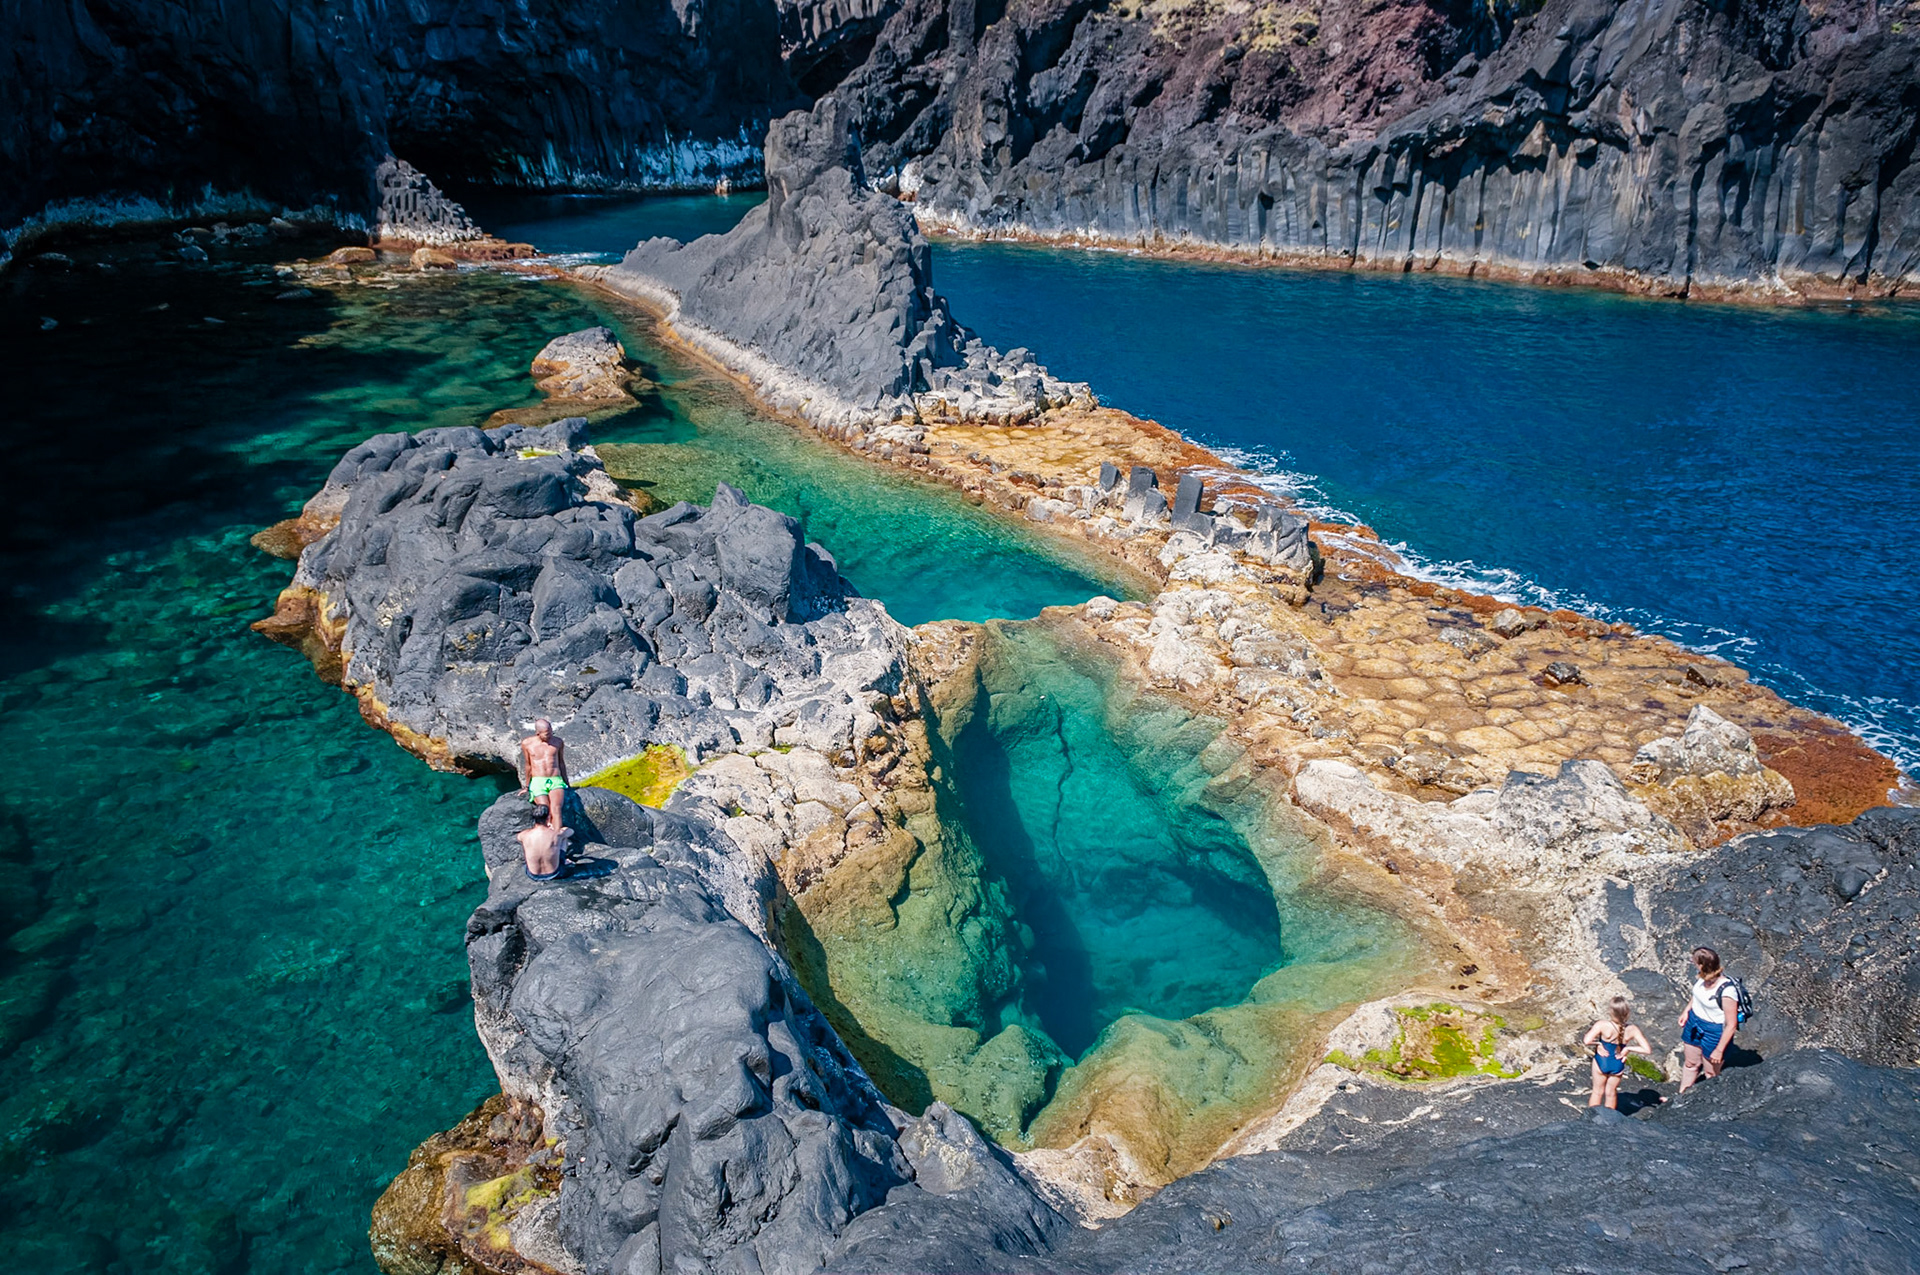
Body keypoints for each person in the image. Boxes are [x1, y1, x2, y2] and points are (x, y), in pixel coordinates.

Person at [1677, 946, 1738, 1091]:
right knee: (1690, 1063)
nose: (1692, 963)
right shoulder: (1702, 978)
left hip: (1713, 1031)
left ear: (1702, 965)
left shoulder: (1727, 991)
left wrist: (1719, 1050)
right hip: (1694, 1022)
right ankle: (1681, 1097)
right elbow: (1697, 996)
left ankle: (1710, 1103)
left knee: (1711, 1072)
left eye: (1695, 961)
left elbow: (1731, 1025)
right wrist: (1686, 1011)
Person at [1584, 995, 1652, 1109]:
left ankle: (1592, 1119)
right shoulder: (1632, 1029)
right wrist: (1628, 1049)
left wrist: (1599, 1044)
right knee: (1611, 1093)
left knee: (1597, 1091)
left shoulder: (1602, 1024)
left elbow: (1586, 1041)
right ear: (1627, 1012)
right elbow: (1647, 1050)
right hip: (1618, 1062)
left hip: (1602, 1060)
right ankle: (1610, 1121)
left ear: (1611, 1011)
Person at [521, 718, 569, 831]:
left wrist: (567, 783)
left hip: (555, 779)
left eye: (551, 732)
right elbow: (528, 766)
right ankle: (547, 836)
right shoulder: (527, 744)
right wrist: (526, 786)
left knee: (556, 809)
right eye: (546, 734)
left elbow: (561, 763)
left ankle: (557, 837)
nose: (550, 736)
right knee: (544, 810)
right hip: (538, 780)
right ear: (538, 733)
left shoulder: (558, 742)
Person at [515, 802, 573, 881]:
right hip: (554, 874)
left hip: (533, 875)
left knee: (527, 844)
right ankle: (563, 860)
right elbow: (570, 831)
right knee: (563, 838)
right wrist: (554, 829)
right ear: (548, 817)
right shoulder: (556, 834)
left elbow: (518, 838)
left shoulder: (524, 835)